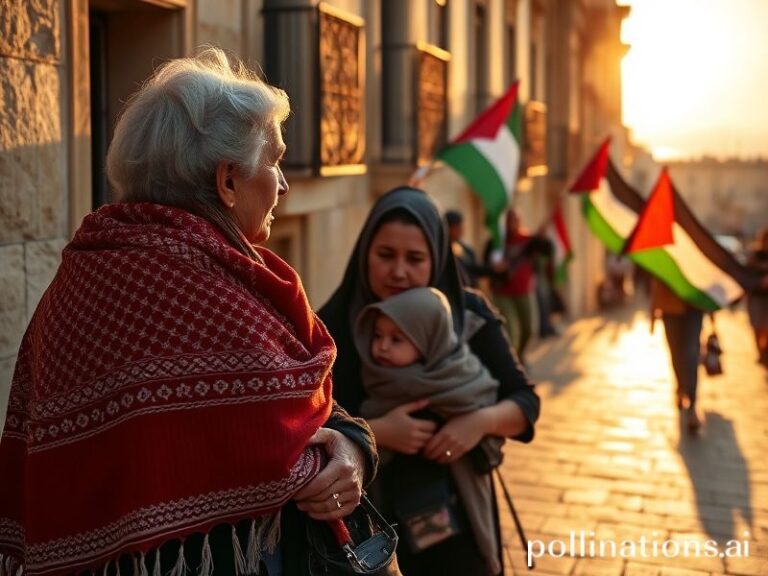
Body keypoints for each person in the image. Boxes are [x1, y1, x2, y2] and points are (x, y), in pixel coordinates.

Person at [0, 48, 375, 576]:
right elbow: (283, 442)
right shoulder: (202, 292)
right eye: (274, 161)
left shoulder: (84, 275)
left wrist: (353, 448)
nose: (283, 184)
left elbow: (297, 416)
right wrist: (354, 448)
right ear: (228, 181)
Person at [319, 187, 540, 576]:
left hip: (461, 523)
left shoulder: (466, 316)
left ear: (437, 258)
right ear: (365, 253)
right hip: (367, 526)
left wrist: (478, 423)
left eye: (415, 259)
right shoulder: (329, 332)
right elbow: (308, 430)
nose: (399, 271)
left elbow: (525, 403)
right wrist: (375, 433)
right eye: (386, 255)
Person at [355, 287, 502, 573]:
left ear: (429, 340)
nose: (382, 346)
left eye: (397, 339)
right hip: (394, 514)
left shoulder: (459, 381)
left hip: (454, 519)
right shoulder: (375, 380)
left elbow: (492, 434)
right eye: (377, 335)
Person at [486, 210, 549, 365]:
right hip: (502, 292)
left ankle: (519, 355)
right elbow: (485, 264)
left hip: (524, 291)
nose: (512, 224)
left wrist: (542, 237)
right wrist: (495, 268)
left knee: (529, 329)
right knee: (510, 331)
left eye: (514, 220)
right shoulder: (496, 243)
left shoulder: (528, 240)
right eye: (509, 221)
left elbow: (546, 250)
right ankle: (511, 363)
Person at [650, 279, 704, 432]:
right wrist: (653, 311)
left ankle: (692, 403)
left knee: (691, 353)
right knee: (676, 352)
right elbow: (658, 279)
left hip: (694, 305)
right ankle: (681, 387)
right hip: (670, 307)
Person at [444, 210, 489, 288]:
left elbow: (474, 268)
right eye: (458, 228)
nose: (461, 231)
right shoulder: (443, 251)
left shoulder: (465, 249)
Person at [746, 227, 768, 366]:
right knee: (757, 326)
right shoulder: (755, 255)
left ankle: (765, 353)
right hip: (756, 296)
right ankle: (760, 352)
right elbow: (747, 274)